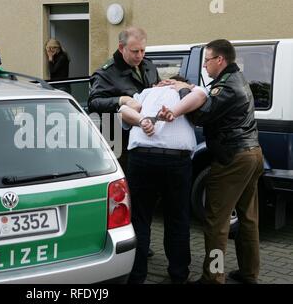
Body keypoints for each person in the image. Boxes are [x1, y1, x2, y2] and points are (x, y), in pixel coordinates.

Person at [174, 39, 263, 284]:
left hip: (233, 158)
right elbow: (211, 99)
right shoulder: (237, 79)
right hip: (252, 154)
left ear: (220, 60)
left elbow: (202, 114)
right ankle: (248, 273)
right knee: (248, 218)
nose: (204, 65)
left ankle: (213, 277)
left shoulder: (227, 85)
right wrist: (193, 88)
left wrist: (182, 91)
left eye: (207, 60)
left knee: (216, 220)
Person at [119, 77, 208, 284]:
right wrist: (181, 97)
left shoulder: (146, 93)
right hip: (176, 160)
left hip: (142, 157)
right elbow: (202, 94)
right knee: (177, 219)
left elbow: (123, 110)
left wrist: (142, 121)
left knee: (140, 219)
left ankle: (137, 275)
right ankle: (178, 274)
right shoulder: (186, 93)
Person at [88, 27, 160, 258]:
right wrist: (121, 99)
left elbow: (153, 91)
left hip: (147, 140)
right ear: (121, 48)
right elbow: (94, 102)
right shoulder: (106, 73)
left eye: (143, 50)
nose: (140, 55)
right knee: (125, 199)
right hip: (121, 143)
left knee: (146, 198)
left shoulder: (148, 66)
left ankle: (142, 241)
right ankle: (125, 244)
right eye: (135, 51)